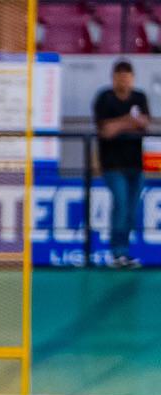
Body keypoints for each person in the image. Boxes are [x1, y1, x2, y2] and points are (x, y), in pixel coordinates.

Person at [94, 60, 151, 269]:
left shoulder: (139, 97)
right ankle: (117, 253)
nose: (124, 81)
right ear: (114, 78)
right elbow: (106, 131)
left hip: (136, 165)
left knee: (131, 210)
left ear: (132, 78)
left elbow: (144, 123)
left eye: (127, 77)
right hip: (112, 166)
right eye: (120, 76)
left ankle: (125, 252)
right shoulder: (104, 98)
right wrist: (129, 120)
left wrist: (119, 124)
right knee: (121, 205)